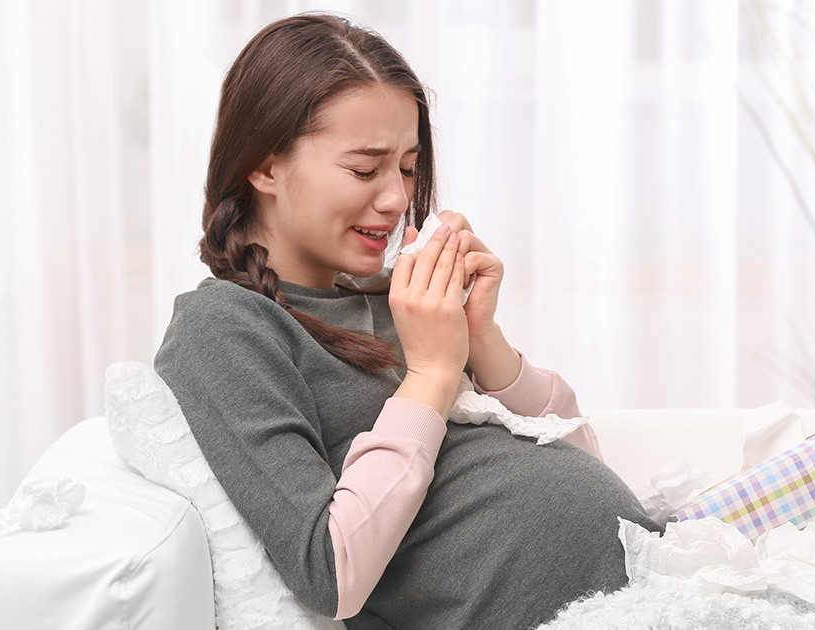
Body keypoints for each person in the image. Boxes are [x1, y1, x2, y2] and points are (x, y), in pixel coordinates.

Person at [154, 12, 661, 629]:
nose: (397, 198)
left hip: (656, 582)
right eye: (365, 169)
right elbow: (328, 572)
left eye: (408, 167)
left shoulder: (398, 300)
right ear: (264, 168)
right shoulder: (225, 326)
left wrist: (481, 339)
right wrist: (432, 372)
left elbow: (584, 460)